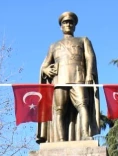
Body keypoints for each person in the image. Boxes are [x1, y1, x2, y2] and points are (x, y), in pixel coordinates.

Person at [37, 11, 100, 143]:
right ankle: (60, 139)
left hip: (78, 79)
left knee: (83, 105)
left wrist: (89, 74)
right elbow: (44, 65)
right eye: (65, 22)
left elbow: (90, 57)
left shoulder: (83, 40)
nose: (68, 24)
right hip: (59, 81)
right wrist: (46, 69)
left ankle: (85, 134)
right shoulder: (53, 46)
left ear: (75, 26)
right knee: (59, 110)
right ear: (61, 26)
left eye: (71, 22)